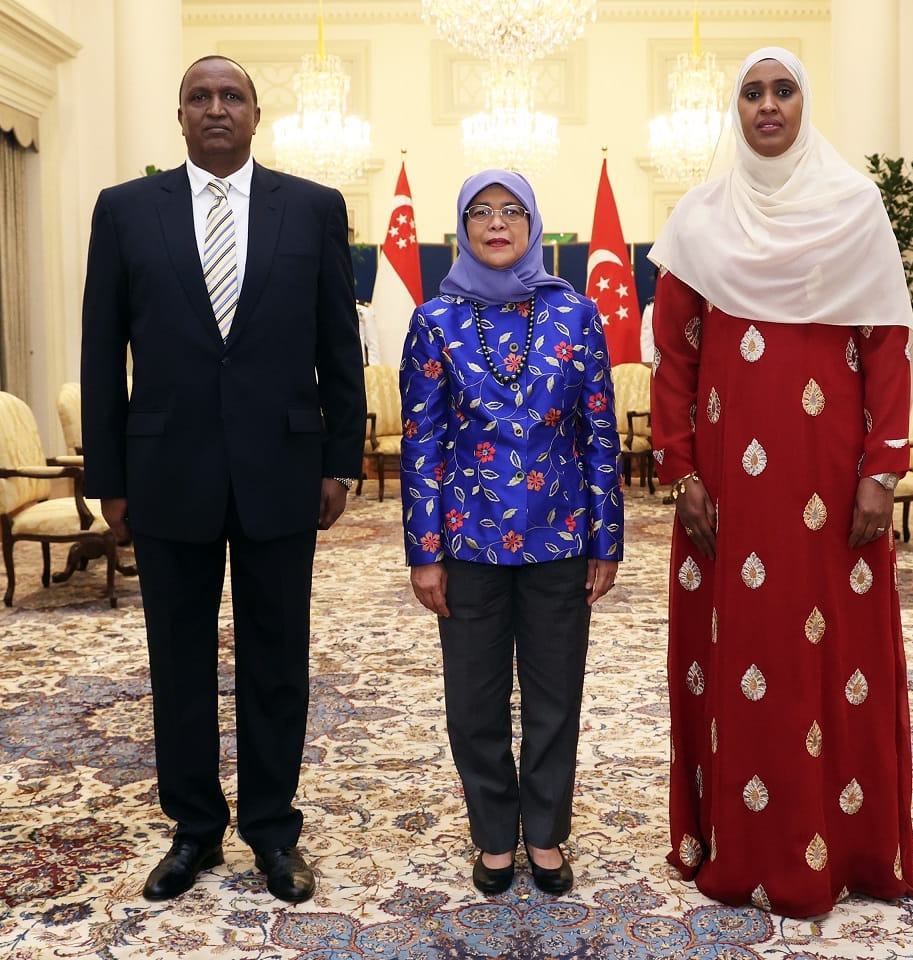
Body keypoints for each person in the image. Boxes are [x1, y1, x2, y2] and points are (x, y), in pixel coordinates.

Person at [80, 55, 365, 904]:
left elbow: (335, 346)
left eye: (230, 96)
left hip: (282, 466)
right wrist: (110, 475)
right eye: (200, 97)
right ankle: (194, 830)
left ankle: (274, 833)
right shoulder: (127, 211)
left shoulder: (312, 209)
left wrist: (340, 456)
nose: (216, 108)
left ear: (255, 113)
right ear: (178, 115)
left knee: (277, 659)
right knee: (178, 659)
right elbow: (103, 352)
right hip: (167, 471)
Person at [647, 47, 913, 918]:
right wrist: (681, 467)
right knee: (743, 647)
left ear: (806, 103)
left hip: (831, 481)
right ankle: (736, 844)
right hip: (730, 484)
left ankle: (843, 848)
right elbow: (675, 360)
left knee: (831, 654)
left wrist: (883, 469)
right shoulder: (698, 219)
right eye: (753, 93)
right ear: (736, 110)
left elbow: (885, 349)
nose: (768, 106)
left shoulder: (854, 207)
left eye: (784, 90)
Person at [400, 170, 623, 897]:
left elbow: (598, 433)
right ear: (460, 229)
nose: (497, 224)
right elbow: (422, 441)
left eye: (512, 211)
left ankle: (548, 835)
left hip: (559, 539)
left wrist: (606, 538)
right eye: (480, 212)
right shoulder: (434, 321)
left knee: (556, 696)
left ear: (534, 225)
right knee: (474, 700)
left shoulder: (576, 315)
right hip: (469, 546)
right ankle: (496, 837)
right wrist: (423, 552)